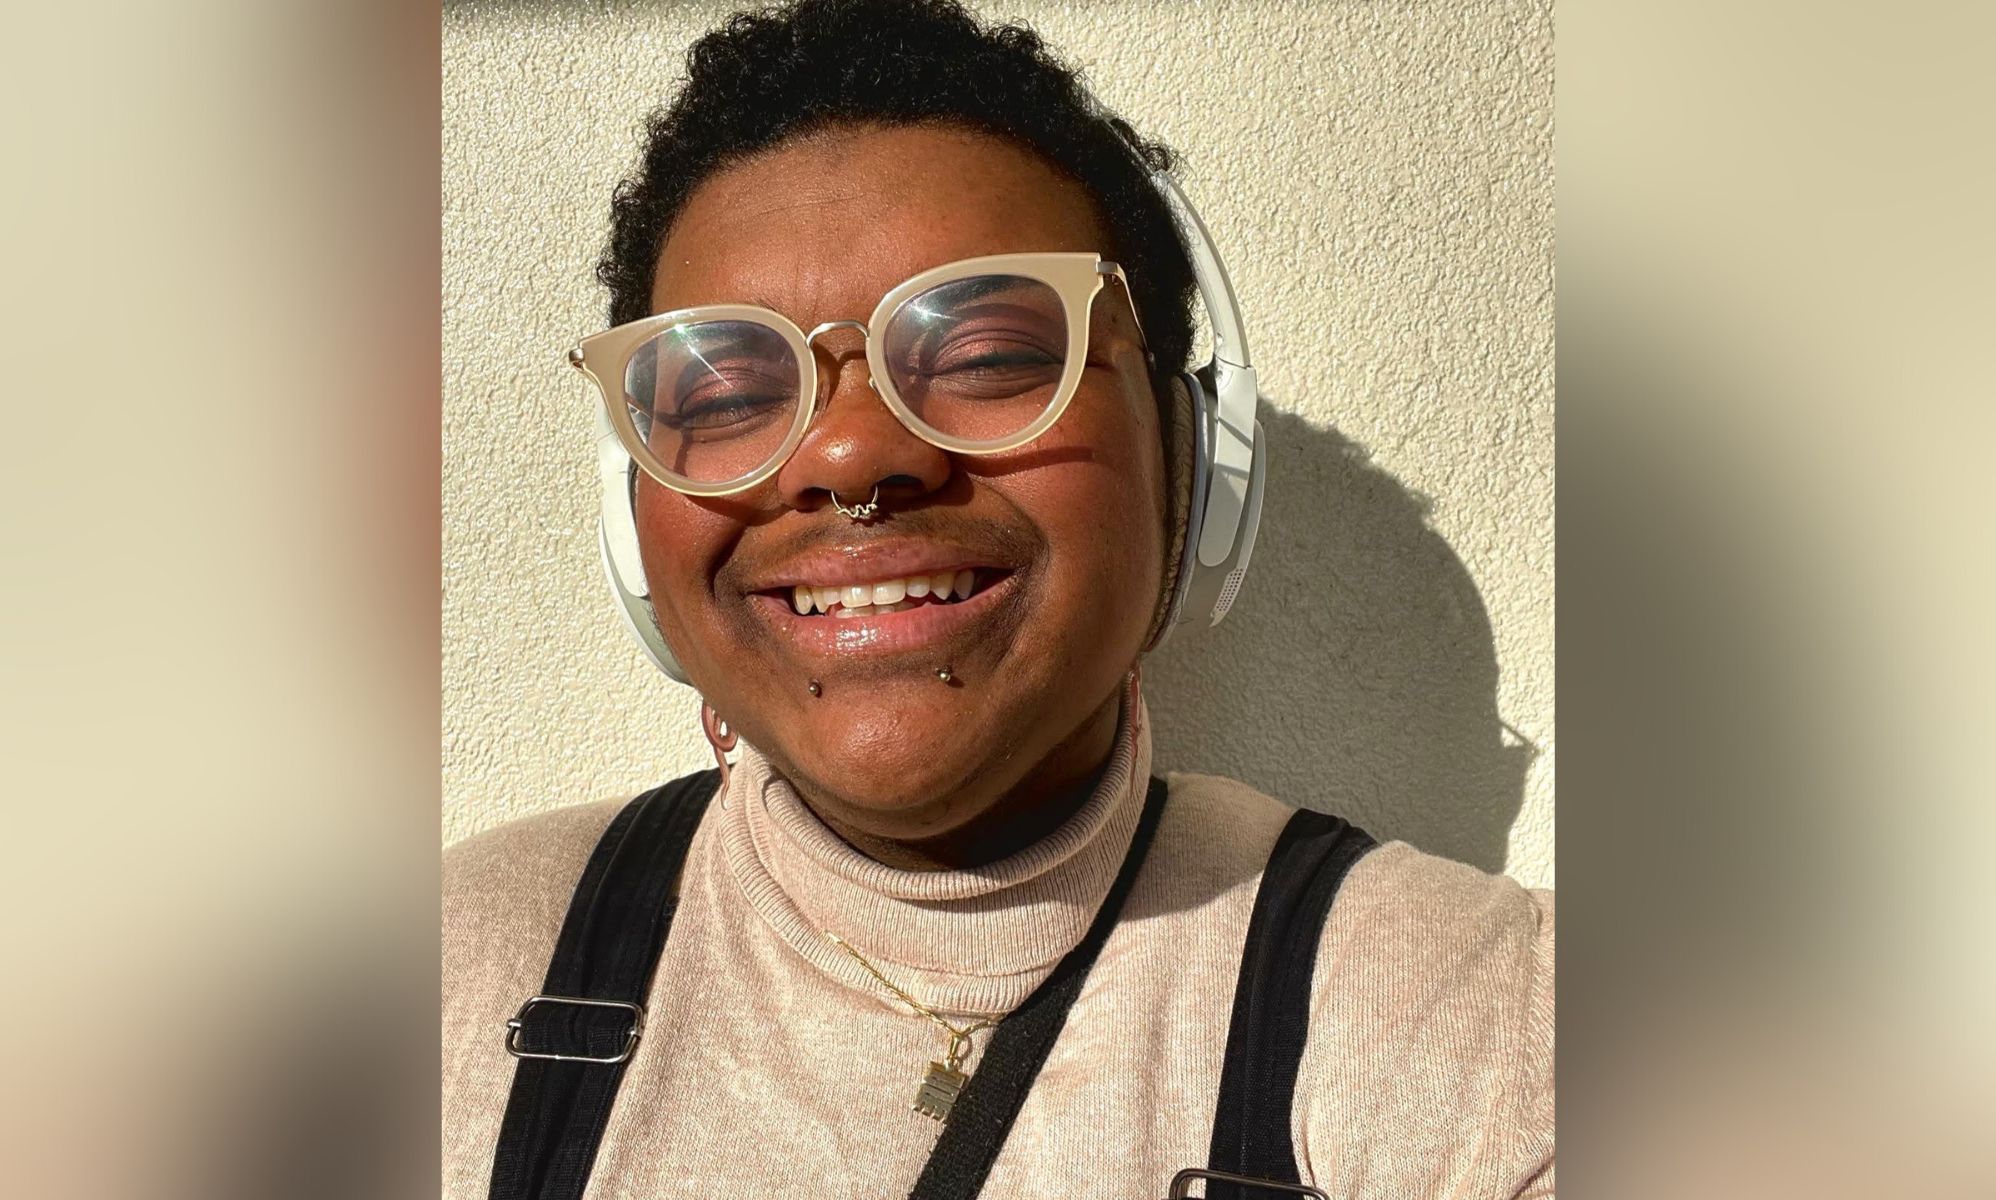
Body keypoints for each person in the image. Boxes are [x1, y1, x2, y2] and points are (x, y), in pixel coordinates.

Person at [442, 1, 1553, 1197]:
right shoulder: (448, 968)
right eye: (721, 391)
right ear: (635, 516)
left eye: (986, 358)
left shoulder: (1487, 1026)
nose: (848, 455)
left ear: (1190, 463)